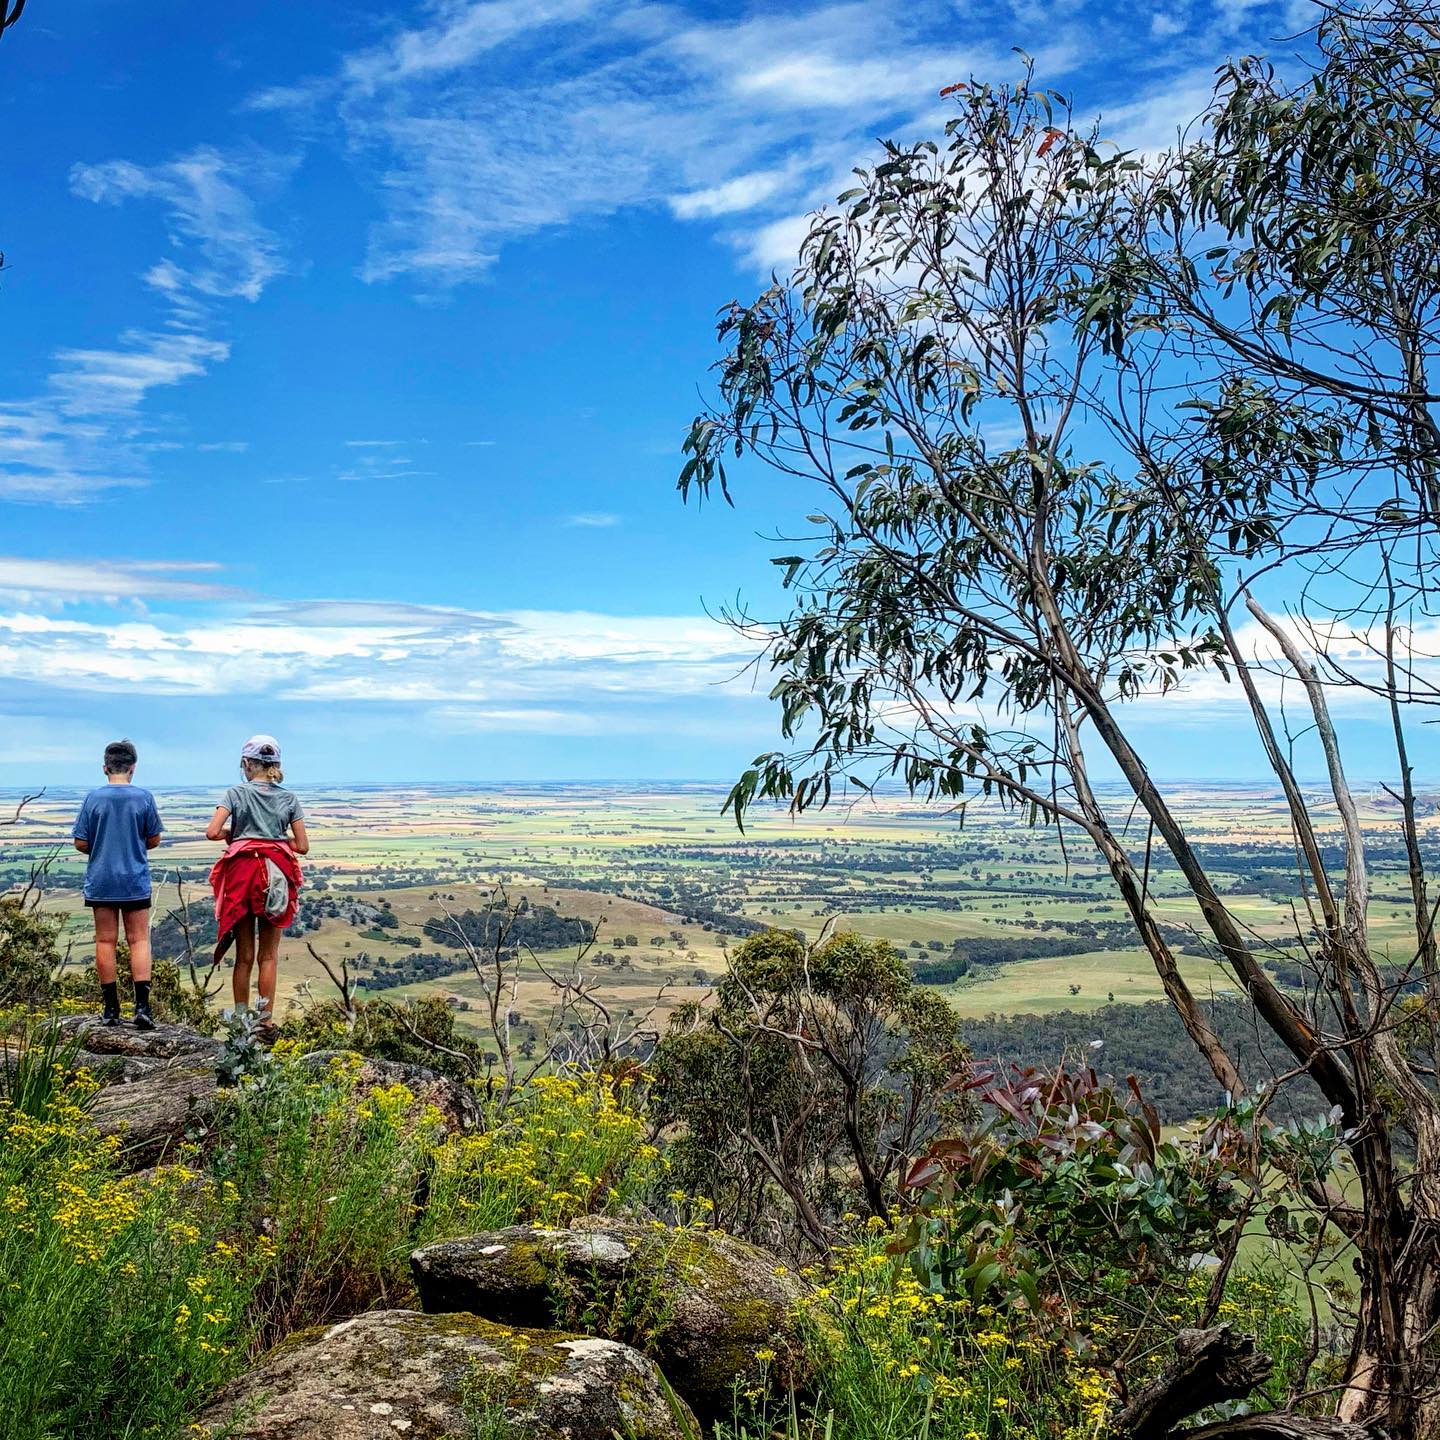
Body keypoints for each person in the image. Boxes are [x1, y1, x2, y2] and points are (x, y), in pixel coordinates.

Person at [205, 734, 308, 1029]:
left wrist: (233, 836)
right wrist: (274, 838)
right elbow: (301, 845)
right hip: (276, 873)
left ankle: (240, 1022)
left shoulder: (235, 794)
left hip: (241, 875)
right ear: (275, 764)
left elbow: (212, 832)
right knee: (269, 956)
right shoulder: (289, 798)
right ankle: (265, 1023)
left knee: (244, 956)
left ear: (246, 764)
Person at [71, 739, 164, 1030]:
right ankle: (143, 1008)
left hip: (101, 880)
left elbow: (80, 841)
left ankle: (111, 1009)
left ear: (105, 768)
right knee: (139, 940)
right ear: (133, 768)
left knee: (104, 941)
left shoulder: (93, 798)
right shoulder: (144, 797)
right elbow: (154, 838)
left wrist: (101, 847)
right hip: (134, 879)